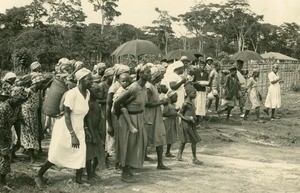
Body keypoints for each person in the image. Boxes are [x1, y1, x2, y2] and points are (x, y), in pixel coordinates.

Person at [35, 68, 93, 188]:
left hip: (79, 126)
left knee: (81, 152)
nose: (92, 81)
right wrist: (72, 135)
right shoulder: (72, 94)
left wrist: (86, 130)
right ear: (81, 80)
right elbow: (66, 115)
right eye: (89, 79)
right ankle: (39, 174)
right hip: (66, 127)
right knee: (57, 153)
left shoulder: (87, 93)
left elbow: (85, 115)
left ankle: (78, 179)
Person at [113, 64, 150, 183]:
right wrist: (121, 116)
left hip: (138, 118)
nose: (150, 74)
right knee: (127, 145)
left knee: (136, 145)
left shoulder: (144, 88)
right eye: (148, 72)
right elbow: (118, 103)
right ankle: (124, 172)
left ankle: (128, 169)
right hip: (128, 119)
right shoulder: (134, 87)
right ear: (141, 74)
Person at [0, 87, 29, 189]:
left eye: (22, 101)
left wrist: (19, 139)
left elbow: (17, 121)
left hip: (6, 133)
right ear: (12, 97)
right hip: (1, 133)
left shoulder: (17, 106)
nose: (20, 103)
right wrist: (3, 146)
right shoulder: (3, 108)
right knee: (4, 155)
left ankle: (2, 180)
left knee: (6, 158)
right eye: (18, 100)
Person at [144, 66, 170, 170]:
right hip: (150, 115)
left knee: (159, 137)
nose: (162, 77)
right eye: (161, 75)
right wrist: (161, 102)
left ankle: (160, 163)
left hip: (155, 115)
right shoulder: (148, 87)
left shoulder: (153, 86)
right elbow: (146, 103)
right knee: (151, 137)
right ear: (155, 76)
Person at [21, 73, 46, 163]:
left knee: (33, 134)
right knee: (28, 135)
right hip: (26, 115)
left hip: (33, 116)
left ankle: (32, 155)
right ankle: (32, 157)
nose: (43, 85)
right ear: (37, 83)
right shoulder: (28, 91)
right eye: (42, 83)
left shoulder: (37, 92)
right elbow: (20, 102)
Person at [176, 84, 203, 165]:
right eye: (194, 93)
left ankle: (179, 155)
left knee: (184, 141)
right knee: (193, 140)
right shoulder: (186, 104)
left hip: (191, 124)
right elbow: (180, 113)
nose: (195, 95)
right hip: (186, 125)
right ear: (188, 93)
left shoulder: (191, 103)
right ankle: (194, 158)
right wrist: (187, 119)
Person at [85, 83, 105, 181]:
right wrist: (91, 134)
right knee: (89, 155)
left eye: (99, 91)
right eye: (96, 91)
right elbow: (88, 119)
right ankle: (89, 175)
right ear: (90, 92)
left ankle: (93, 171)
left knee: (99, 153)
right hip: (90, 131)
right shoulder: (89, 103)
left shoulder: (96, 101)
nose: (99, 93)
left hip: (96, 130)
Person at [163, 91, 179, 157]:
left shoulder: (173, 105)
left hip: (172, 123)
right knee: (167, 136)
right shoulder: (167, 106)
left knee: (170, 137)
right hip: (168, 123)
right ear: (170, 97)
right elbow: (164, 114)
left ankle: (168, 152)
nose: (176, 99)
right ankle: (166, 151)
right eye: (175, 97)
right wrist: (173, 114)